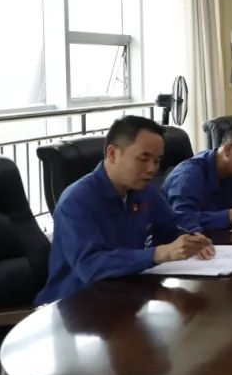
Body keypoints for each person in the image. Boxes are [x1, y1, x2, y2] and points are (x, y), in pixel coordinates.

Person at [35, 116, 216, 305]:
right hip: (75, 305)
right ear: (112, 154)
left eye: (157, 161)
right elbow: (91, 265)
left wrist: (193, 236)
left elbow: (171, 225)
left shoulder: (144, 192)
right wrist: (158, 253)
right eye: (143, 159)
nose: (152, 169)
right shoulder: (76, 201)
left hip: (127, 293)